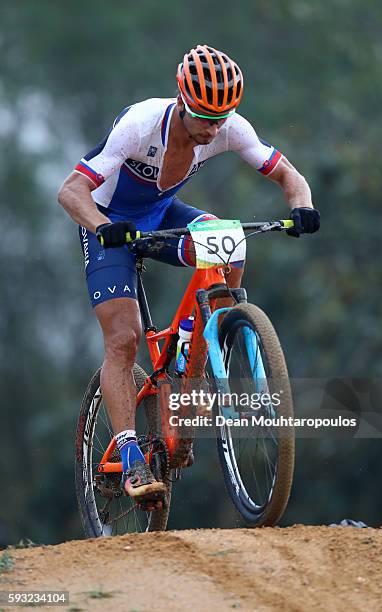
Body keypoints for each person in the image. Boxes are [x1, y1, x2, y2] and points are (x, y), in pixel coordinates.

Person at [58, 44, 320, 510]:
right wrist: (103, 228)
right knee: (123, 339)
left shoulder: (229, 127)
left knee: (230, 238)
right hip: (108, 221)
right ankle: (131, 453)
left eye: (223, 118)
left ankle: (199, 342)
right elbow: (71, 191)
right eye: (204, 117)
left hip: (160, 215)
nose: (214, 129)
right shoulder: (140, 124)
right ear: (181, 100)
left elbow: (288, 175)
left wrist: (302, 208)